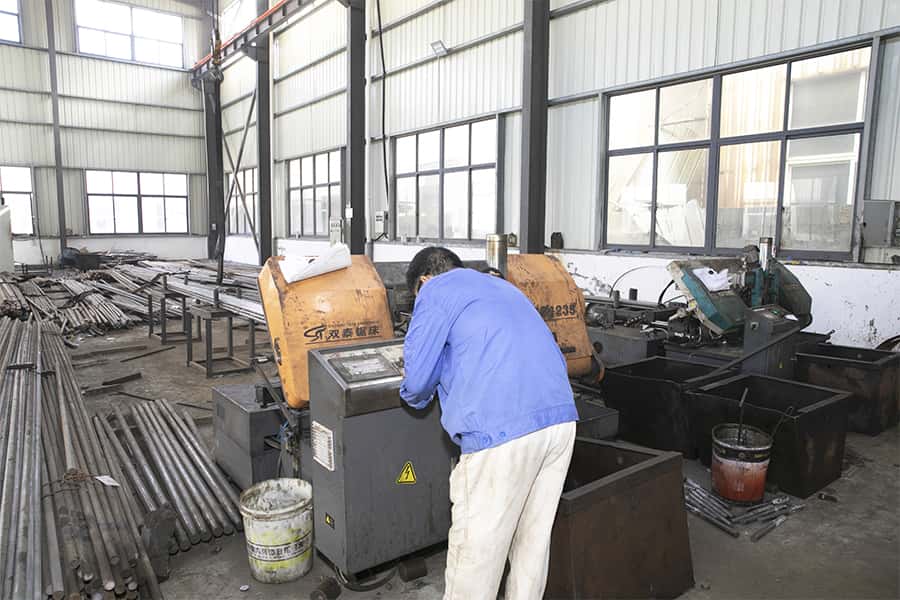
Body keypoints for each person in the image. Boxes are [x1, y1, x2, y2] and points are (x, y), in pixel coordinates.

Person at [399, 246, 577, 600]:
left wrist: (414, 393)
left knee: (476, 558)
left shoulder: (435, 290)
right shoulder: (501, 287)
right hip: (560, 421)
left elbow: (417, 384)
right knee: (531, 546)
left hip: (501, 434)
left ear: (423, 281)